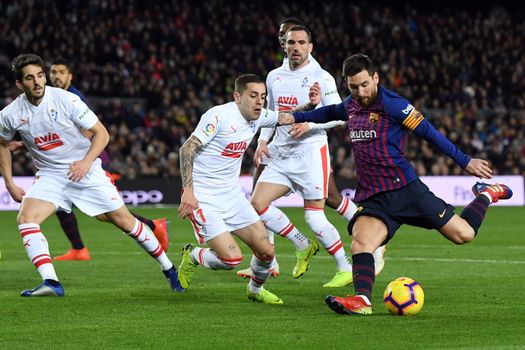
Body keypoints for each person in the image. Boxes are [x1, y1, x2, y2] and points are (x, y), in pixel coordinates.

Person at [279, 53, 513, 315]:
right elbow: (330, 111)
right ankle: (362, 300)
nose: (360, 92)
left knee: (464, 234)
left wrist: (465, 161)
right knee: (361, 242)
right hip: (374, 197)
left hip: (405, 190)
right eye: (353, 87)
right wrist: (296, 117)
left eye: (365, 84)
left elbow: (429, 133)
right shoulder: (351, 104)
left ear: (375, 77)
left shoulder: (394, 105)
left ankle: (486, 194)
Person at [0, 53, 183, 296]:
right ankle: (52, 283)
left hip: (85, 172)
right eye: (30, 78)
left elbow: (102, 133)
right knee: (26, 219)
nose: (38, 82)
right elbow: (3, 144)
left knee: (125, 222)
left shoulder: (67, 100)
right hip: (51, 175)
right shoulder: (10, 114)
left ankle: (168, 268)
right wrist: (10, 183)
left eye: (41, 76)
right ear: (19, 84)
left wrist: (86, 162)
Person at [237, 19, 386, 281]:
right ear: (284, 45)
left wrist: (310, 122)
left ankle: (345, 266)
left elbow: (341, 115)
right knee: (257, 204)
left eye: (301, 43)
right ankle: (300, 245)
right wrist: (262, 140)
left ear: (310, 46)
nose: (296, 47)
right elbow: (273, 114)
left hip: (309, 154)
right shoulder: (274, 77)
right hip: (281, 153)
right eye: (291, 42)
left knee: (316, 217)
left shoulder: (321, 77)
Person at [177, 74, 289, 304]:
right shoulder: (218, 116)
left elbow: (288, 117)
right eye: (253, 95)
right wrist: (188, 191)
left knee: (267, 252)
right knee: (231, 260)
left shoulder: (260, 117)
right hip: (203, 198)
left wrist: (314, 106)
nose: (260, 101)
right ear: (237, 97)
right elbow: (187, 149)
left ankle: (255, 291)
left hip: (232, 196)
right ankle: (194, 255)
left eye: (263, 97)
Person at [47, 58, 170, 260]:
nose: (57, 76)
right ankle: (79, 249)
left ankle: (153, 226)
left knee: (107, 212)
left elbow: (90, 130)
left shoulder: (74, 97)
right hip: (73, 160)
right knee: (88, 210)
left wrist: (75, 154)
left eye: (61, 72)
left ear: (70, 76)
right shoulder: (53, 97)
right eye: (54, 72)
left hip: (88, 160)